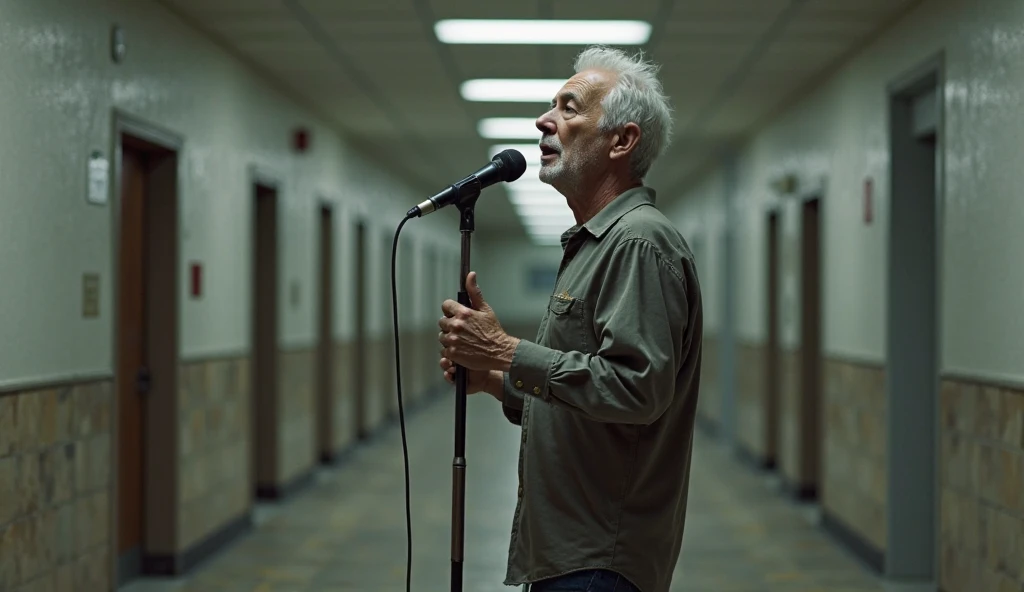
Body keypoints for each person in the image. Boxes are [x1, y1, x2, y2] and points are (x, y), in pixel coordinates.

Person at [437, 45, 703, 592]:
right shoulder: (594, 246)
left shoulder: (638, 242)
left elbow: (638, 391)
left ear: (622, 141)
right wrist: (499, 382)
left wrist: (506, 351)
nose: (544, 118)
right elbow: (590, 398)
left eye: (570, 106)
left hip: (600, 560)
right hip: (572, 551)